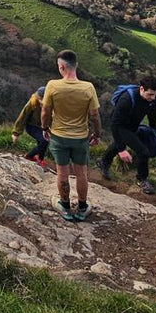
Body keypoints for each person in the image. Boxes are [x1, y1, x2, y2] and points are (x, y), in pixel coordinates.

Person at [41, 50, 101, 222]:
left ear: (61, 67)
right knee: (81, 173)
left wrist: (45, 128)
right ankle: (82, 208)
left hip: (59, 136)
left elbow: (45, 111)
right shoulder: (88, 87)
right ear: (76, 66)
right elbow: (95, 115)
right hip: (81, 137)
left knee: (62, 172)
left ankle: (65, 207)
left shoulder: (52, 86)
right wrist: (97, 134)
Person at [98, 75, 156, 194]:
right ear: (142, 89)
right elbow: (115, 124)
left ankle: (103, 162)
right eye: (150, 94)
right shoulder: (126, 99)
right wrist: (122, 150)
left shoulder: (152, 99)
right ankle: (142, 179)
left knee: (119, 144)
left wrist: (154, 133)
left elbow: (152, 115)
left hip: (134, 126)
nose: (153, 98)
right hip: (121, 126)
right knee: (143, 152)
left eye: (154, 94)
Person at [11, 86, 50, 166]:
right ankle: (30, 156)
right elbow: (23, 116)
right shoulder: (32, 103)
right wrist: (16, 133)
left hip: (43, 126)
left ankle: (39, 158)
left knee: (43, 142)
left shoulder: (49, 104)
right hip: (31, 126)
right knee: (44, 141)